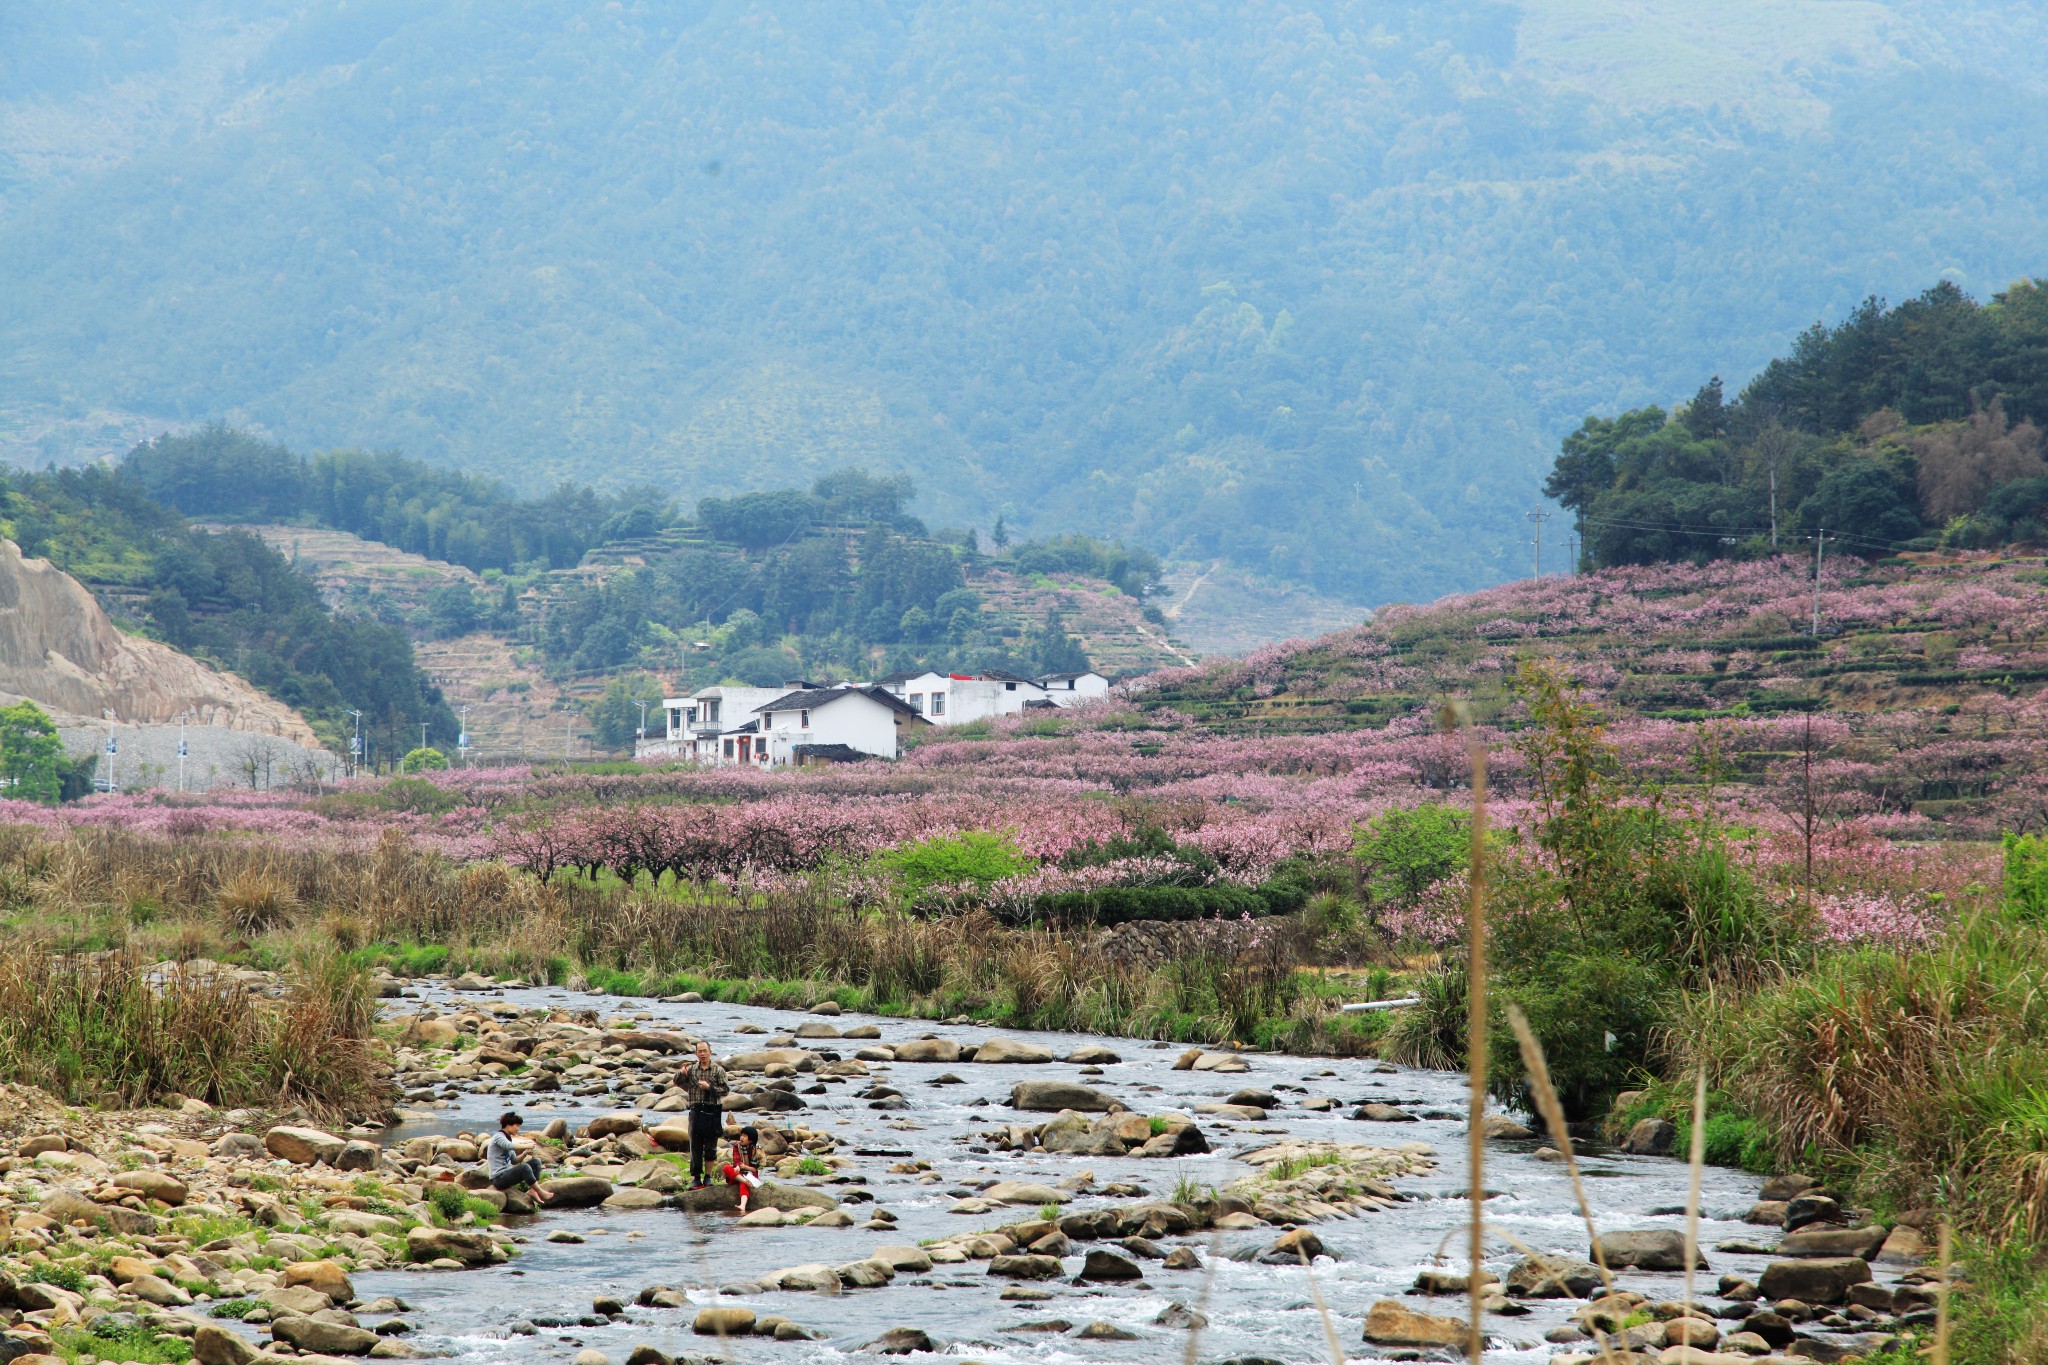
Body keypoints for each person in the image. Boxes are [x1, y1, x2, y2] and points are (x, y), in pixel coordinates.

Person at [677, 1039, 729, 1188]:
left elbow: (725, 1090)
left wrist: (709, 1087)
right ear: (696, 1053)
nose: (703, 1054)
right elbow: (677, 1081)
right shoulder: (692, 1070)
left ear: (710, 1052)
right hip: (696, 1110)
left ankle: (708, 1176)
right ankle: (696, 1177)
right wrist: (681, 1073)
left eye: (705, 1051)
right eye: (700, 1051)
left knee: (711, 1146)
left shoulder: (718, 1070)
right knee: (695, 1145)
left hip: (713, 1111)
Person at [485, 1111, 555, 1204]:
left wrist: (525, 1153)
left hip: (507, 1174)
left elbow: (514, 1161)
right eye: (517, 1126)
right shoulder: (499, 1137)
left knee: (536, 1162)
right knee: (524, 1167)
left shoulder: (508, 1138)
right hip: (498, 1178)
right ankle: (540, 1191)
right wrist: (526, 1145)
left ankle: (533, 1191)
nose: (518, 1129)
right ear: (508, 1125)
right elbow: (509, 1146)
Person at [721, 1125, 763, 1214]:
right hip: (738, 1175)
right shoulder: (737, 1146)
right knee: (726, 1168)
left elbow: (754, 1169)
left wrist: (745, 1167)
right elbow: (736, 1161)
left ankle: (742, 1206)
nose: (741, 1138)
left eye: (744, 1136)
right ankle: (745, 1181)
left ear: (750, 1139)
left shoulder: (757, 1150)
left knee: (743, 1184)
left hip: (750, 1175)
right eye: (741, 1135)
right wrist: (738, 1167)